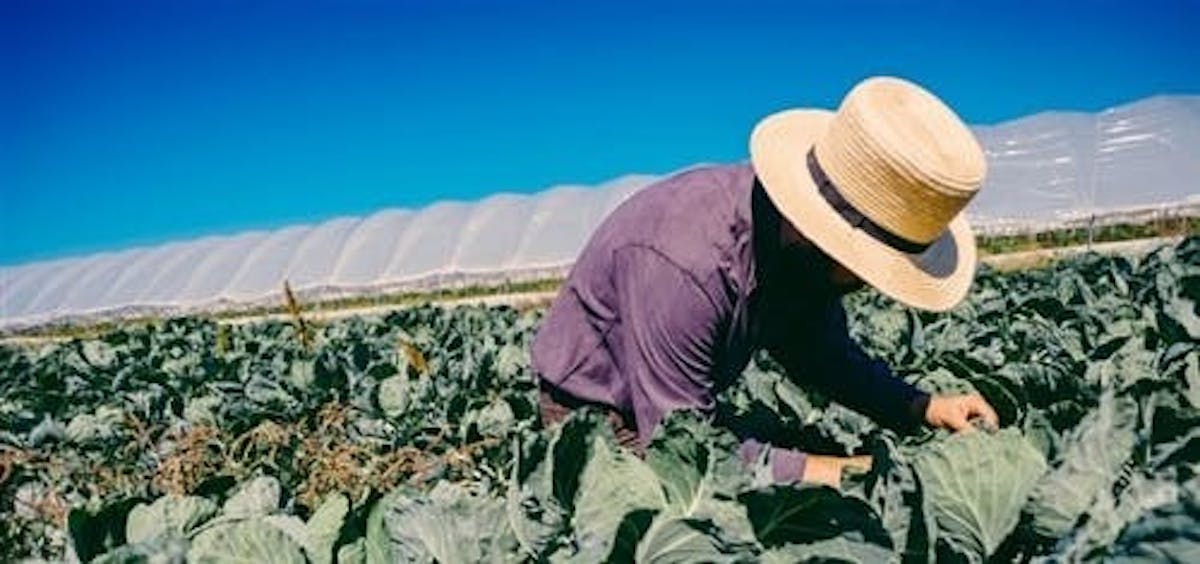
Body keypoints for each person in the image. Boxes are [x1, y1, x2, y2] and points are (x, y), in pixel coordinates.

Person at [531, 76, 999, 487]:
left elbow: (824, 356)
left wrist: (922, 406)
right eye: (869, 264)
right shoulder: (686, 262)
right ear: (815, 232)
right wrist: (839, 473)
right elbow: (681, 449)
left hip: (679, 405)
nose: (867, 282)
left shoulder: (802, 259)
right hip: (599, 418)